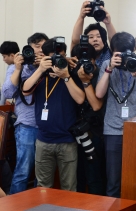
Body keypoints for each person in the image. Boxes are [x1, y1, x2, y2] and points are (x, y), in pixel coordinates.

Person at [95, 32, 136, 197]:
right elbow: (99, 94)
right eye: (119, 53)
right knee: (113, 182)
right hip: (113, 130)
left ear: (133, 49)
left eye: (127, 53)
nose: (124, 57)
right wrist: (109, 69)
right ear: (113, 51)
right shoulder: (106, 65)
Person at [22, 38, 85, 191]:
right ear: (44, 57)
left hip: (67, 141)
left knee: (69, 188)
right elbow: (25, 90)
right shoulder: (40, 75)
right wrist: (40, 69)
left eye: (61, 56)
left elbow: (80, 99)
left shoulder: (71, 75)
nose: (57, 60)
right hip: (43, 140)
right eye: (52, 57)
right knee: (43, 188)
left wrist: (66, 76)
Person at [2, 33, 49, 194]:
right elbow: (7, 92)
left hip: (46, 127)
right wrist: (17, 69)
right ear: (29, 48)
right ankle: (15, 206)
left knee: (41, 174)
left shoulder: (49, 65)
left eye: (44, 46)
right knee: (23, 171)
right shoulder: (19, 67)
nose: (40, 50)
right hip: (27, 126)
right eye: (36, 46)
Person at [70, 43, 106, 195]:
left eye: (87, 60)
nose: (82, 65)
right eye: (78, 61)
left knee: (94, 177)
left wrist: (86, 81)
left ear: (93, 60)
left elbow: (96, 105)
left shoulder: (99, 75)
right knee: (77, 177)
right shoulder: (70, 75)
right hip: (74, 134)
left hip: (95, 133)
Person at [69, 0, 116, 70]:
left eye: (99, 36)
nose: (95, 39)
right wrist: (81, 17)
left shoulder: (110, 54)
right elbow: (75, 41)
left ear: (104, 39)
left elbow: (115, 42)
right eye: (91, 37)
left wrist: (108, 23)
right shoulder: (80, 54)